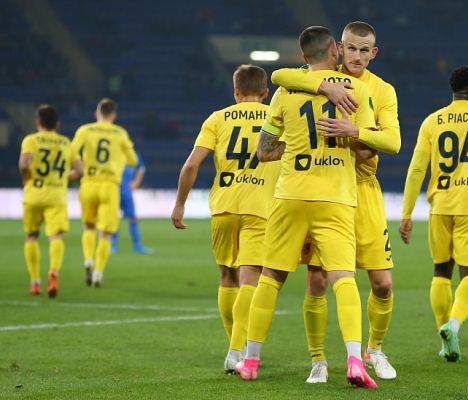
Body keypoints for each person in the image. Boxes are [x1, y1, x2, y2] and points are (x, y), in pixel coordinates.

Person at [237, 26, 379, 389]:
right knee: (343, 279)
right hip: (335, 197)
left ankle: (250, 361)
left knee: (270, 278)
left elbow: (264, 151)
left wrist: (298, 147)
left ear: (304, 58)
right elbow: (368, 149)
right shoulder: (357, 89)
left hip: (291, 195)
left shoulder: (285, 91)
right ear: (335, 50)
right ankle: (354, 360)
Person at [270, 20, 401, 382]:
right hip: (325, 189)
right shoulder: (319, 75)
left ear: (374, 53)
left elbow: (393, 141)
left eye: (364, 50)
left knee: (382, 284)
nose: (356, 55)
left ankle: (374, 350)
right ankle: (318, 360)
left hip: (363, 189)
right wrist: (323, 85)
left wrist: (355, 131)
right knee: (317, 281)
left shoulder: (382, 90)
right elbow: (279, 76)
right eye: (351, 48)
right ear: (339, 48)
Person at [170, 64, 278, 374]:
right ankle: (236, 350)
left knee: (227, 278)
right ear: (265, 92)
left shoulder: (217, 118)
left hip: (223, 207)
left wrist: (180, 204)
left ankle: (235, 345)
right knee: (250, 280)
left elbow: (191, 165)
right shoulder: (276, 117)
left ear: (236, 91)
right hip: (259, 208)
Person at [400, 66, 468, 362]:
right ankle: (453, 325)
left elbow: (417, 170)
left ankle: (444, 341)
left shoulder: (432, 121)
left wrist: (407, 213)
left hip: (440, 205)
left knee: (441, 271)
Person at [72, 98, 138, 287]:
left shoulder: (85, 130)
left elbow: (72, 152)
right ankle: (98, 273)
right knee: (106, 234)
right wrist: (119, 158)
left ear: (97, 113)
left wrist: (80, 168)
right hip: (109, 186)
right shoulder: (120, 133)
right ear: (113, 115)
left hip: (88, 183)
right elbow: (133, 160)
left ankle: (88, 260)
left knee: (89, 227)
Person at [19, 105, 83, 298]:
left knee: (31, 237)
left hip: (33, 195)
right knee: (56, 237)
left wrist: (27, 178)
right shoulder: (66, 143)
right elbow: (80, 171)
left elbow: (24, 164)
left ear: (37, 122)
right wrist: (63, 178)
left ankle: (35, 282)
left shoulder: (31, 140)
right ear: (57, 124)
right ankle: (53, 272)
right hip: (56, 196)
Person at [112, 152, 152, 254]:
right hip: (113, 190)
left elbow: (141, 168)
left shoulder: (133, 154)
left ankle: (137, 245)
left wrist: (136, 182)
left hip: (126, 191)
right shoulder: (114, 151)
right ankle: (113, 245)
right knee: (114, 218)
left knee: (133, 217)